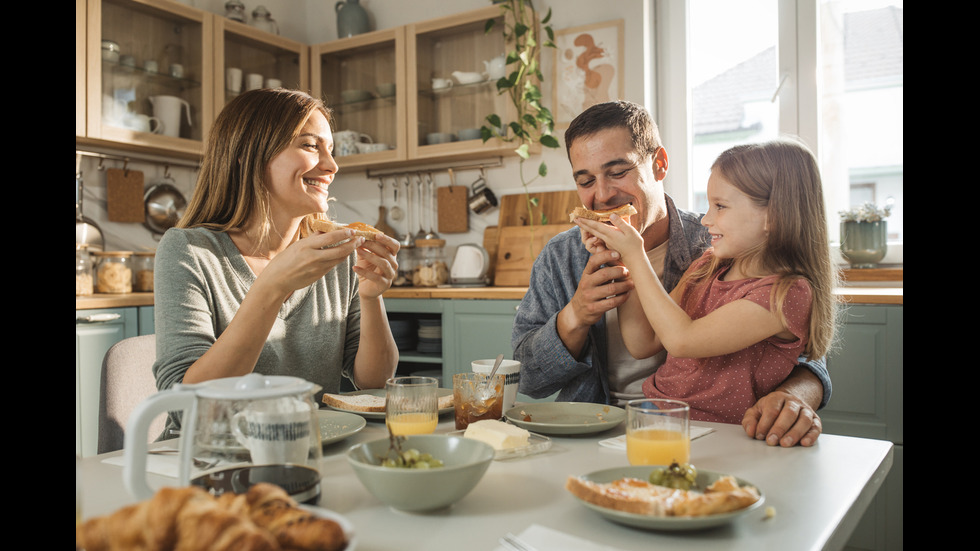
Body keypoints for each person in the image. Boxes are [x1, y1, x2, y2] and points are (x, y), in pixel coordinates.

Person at [512, 100, 830, 447]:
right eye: (586, 180)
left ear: (660, 164)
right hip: (595, 426)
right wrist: (574, 316)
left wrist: (796, 395)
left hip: (714, 433)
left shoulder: (718, 245)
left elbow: (806, 354)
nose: (602, 195)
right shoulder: (561, 256)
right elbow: (528, 380)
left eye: (618, 172)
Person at [153, 88, 400, 432]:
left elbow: (373, 381)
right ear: (248, 153)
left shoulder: (335, 251)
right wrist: (272, 286)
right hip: (208, 461)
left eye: (331, 150)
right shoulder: (189, 251)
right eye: (311, 146)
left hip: (308, 451)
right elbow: (188, 409)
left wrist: (372, 298)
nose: (331, 166)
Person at [575, 138, 838, 425]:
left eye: (721, 206)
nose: (706, 219)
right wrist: (620, 258)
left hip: (721, 434)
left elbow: (681, 340)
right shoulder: (708, 266)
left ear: (773, 215)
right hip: (655, 416)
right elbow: (643, 342)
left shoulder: (785, 295)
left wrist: (634, 253)